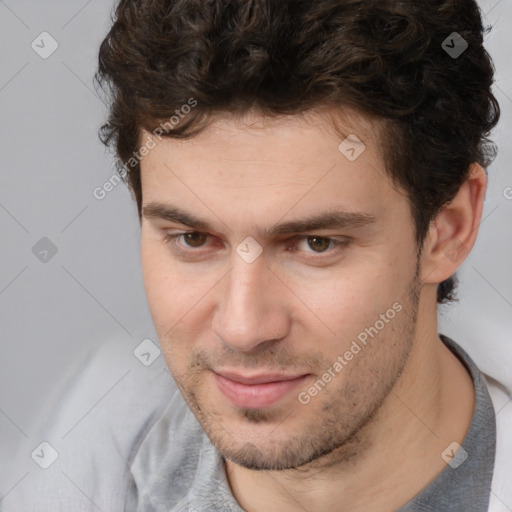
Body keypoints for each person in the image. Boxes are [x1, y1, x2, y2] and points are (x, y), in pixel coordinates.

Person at [5, 1, 511, 511]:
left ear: (449, 230)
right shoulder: (85, 454)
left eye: (316, 244)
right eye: (193, 239)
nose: (243, 328)